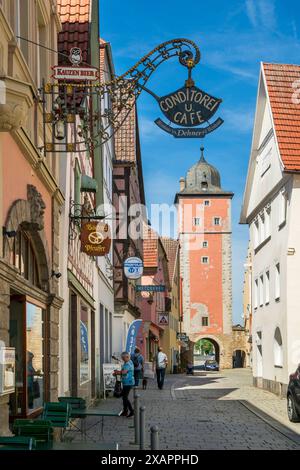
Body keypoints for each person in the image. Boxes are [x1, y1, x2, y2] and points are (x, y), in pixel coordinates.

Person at [117, 352, 135, 417]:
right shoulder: (129, 362)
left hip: (128, 382)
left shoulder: (128, 364)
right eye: (122, 358)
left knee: (125, 397)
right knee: (124, 397)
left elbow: (124, 372)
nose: (122, 359)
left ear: (127, 357)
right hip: (127, 382)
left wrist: (117, 373)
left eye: (123, 358)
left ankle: (131, 411)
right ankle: (125, 411)